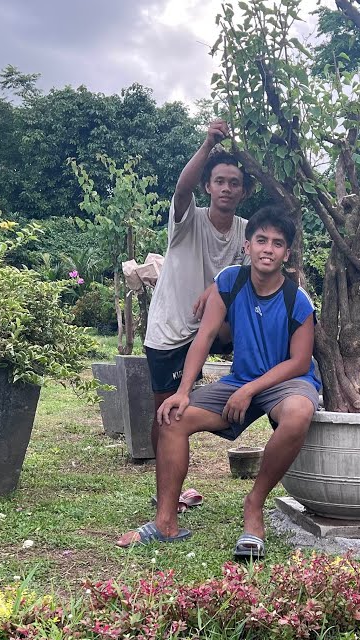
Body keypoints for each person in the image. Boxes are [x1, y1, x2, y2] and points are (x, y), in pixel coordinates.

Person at [117, 205, 320, 561]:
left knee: (299, 412)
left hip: (285, 381)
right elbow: (205, 335)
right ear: (247, 246)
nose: (267, 249)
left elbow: (299, 362)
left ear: (286, 254)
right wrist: (182, 392)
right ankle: (165, 522)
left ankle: (254, 507)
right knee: (171, 418)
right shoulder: (230, 281)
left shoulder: (297, 299)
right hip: (239, 379)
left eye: (277, 243)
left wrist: (250, 390)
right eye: (261, 240)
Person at [143, 118, 254, 455]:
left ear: (244, 191)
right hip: (171, 329)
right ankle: (163, 480)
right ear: (207, 186)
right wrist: (208, 144)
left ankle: (254, 394)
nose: (226, 188)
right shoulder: (187, 221)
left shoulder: (248, 232)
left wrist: (220, 283)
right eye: (219, 181)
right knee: (167, 412)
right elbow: (181, 190)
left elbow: (254, 276)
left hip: (212, 328)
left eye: (234, 183)